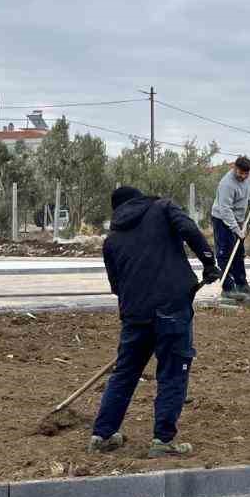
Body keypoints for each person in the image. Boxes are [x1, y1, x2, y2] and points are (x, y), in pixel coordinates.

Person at [90, 185, 220, 458]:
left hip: (135, 315)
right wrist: (209, 263)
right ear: (139, 199)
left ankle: (102, 434)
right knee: (173, 371)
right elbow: (190, 230)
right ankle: (162, 440)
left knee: (125, 374)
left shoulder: (111, 240)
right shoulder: (163, 208)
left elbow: (116, 287)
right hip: (171, 307)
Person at [210, 155, 250, 300]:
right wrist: (237, 230)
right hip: (222, 219)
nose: (243, 176)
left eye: (246, 173)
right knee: (225, 254)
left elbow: (248, 189)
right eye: (241, 173)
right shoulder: (226, 184)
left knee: (238, 252)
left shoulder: (247, 177)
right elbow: (225, 210)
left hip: (238, 219)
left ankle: (241, 284)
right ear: (235, 168)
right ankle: (228, 288)